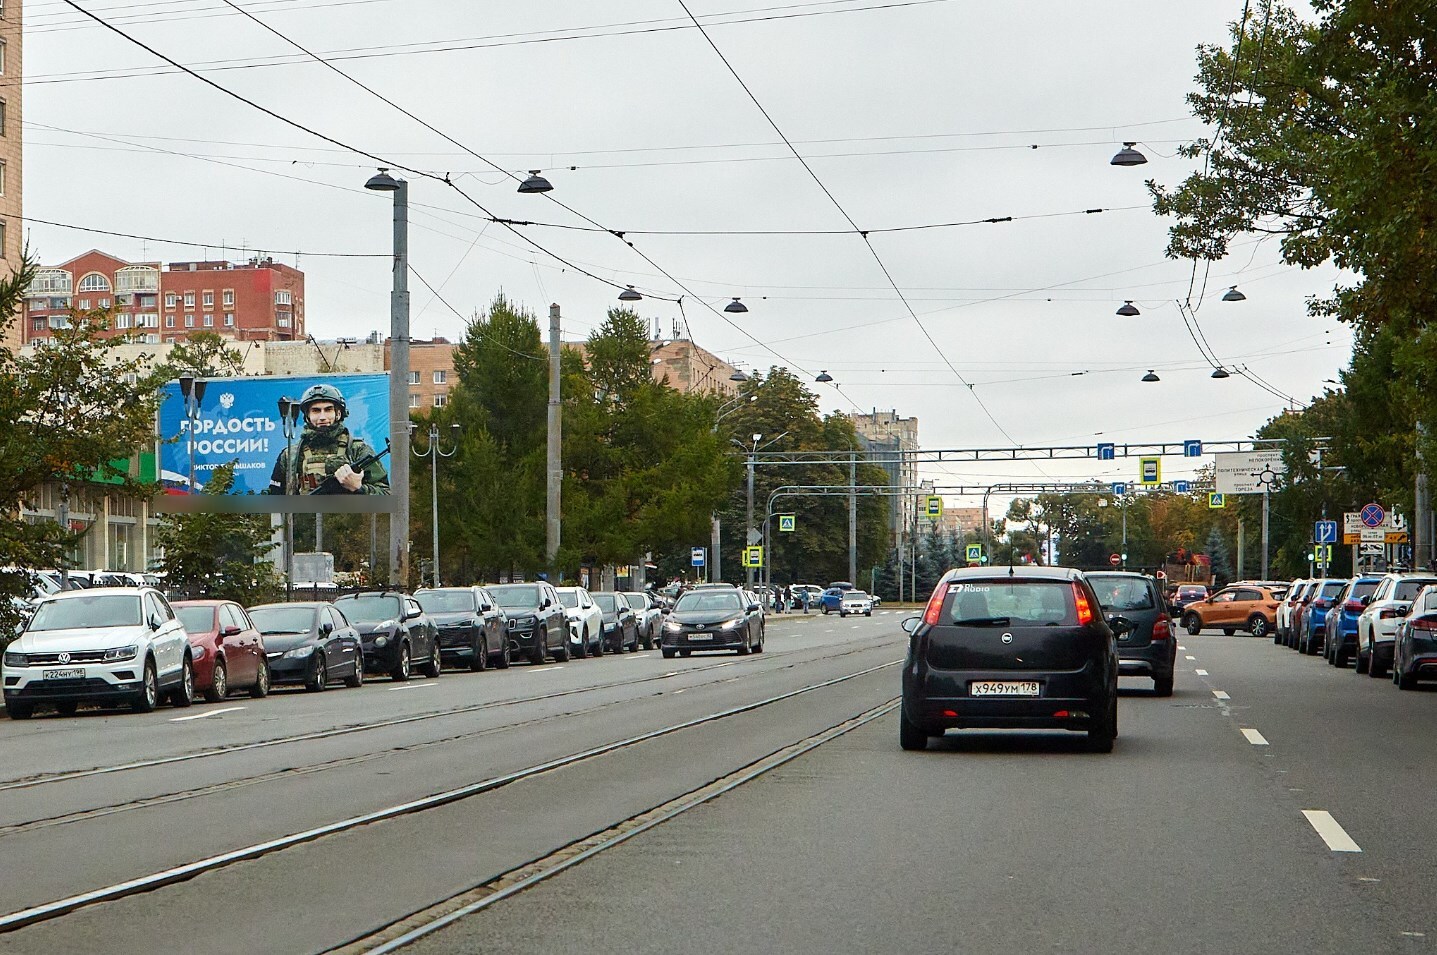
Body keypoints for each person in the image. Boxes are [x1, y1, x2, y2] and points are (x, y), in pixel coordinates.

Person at [267, 383, 390, 495]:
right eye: (316, 411)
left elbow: (386, 497)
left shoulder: (357, 450)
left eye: (328, 410)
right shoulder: (291, 456)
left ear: (339, 414)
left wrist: (358, 488)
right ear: (307, 416)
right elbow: (275, 502)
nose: (322, 417)